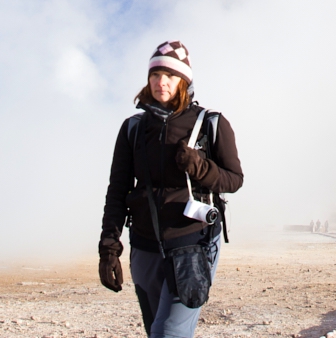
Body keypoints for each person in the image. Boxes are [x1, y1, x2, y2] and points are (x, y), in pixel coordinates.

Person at [99, 41, 244, 338]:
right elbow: (117, 190)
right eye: (154, 75)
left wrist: (200, 167)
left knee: (169, 333)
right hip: (144, 246)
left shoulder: (210, 123)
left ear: (184, 82)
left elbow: (234, 180)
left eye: (170, 76)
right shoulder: (134, 128)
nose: (160, 82)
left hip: (193, 243)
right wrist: (109, 248)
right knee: (156, 330)